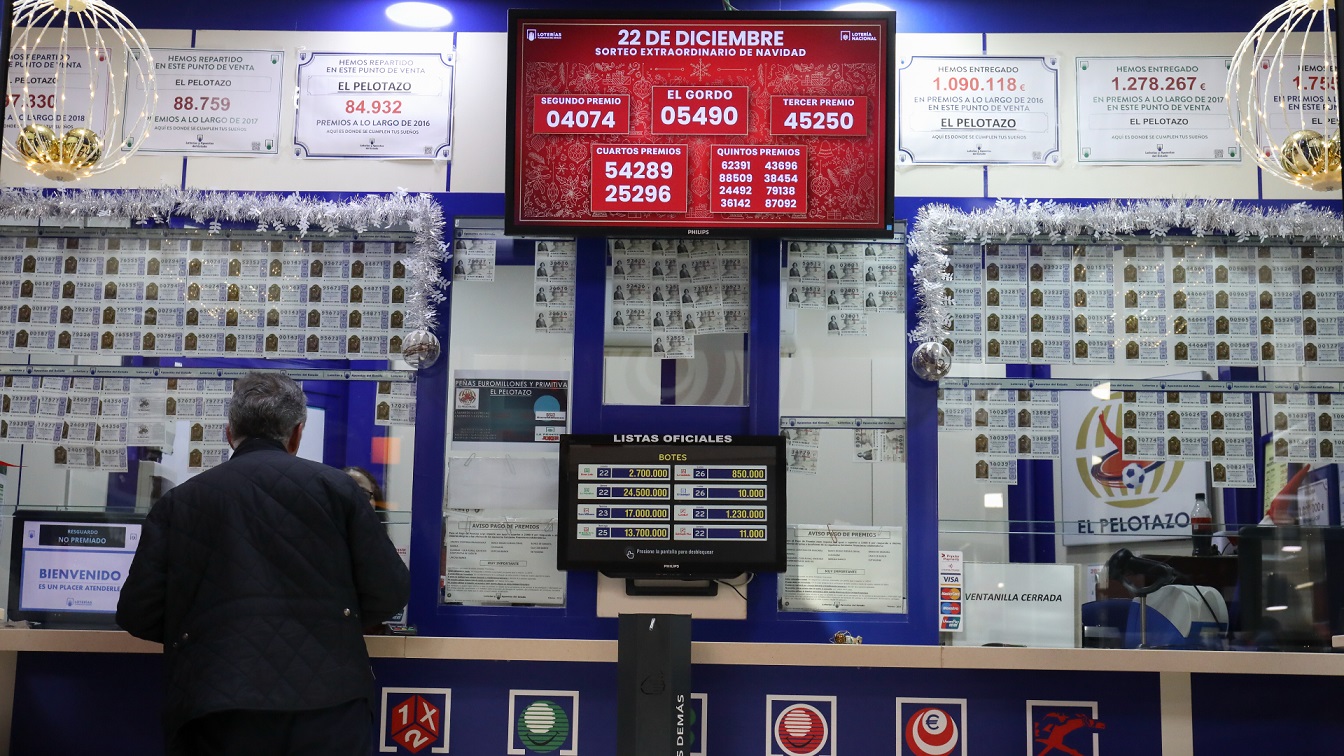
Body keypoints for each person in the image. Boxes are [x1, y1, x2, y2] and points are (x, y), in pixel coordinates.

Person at [116, 372, 410, 756]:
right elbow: (389, 592)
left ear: (228, 433)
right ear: (297, 434)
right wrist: (334, 621)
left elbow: (139, 612)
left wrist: (202, 632)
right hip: (329, 702)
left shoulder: (180, 502)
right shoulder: (337, 490)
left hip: (215, 704)